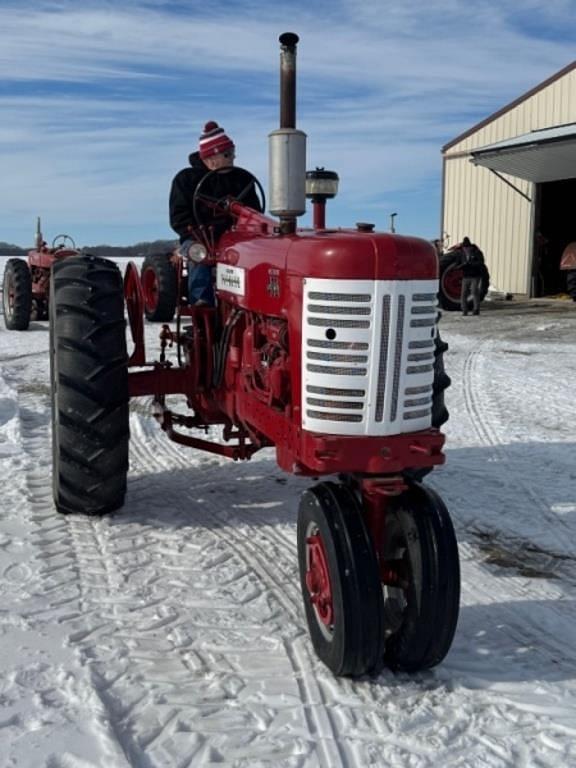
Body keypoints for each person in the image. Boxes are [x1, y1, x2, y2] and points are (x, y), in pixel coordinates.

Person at [169, 121, 261, 305]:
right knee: (200, 255)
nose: (232, 159)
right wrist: (194, 234)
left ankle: (252, 302)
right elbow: (179, 216)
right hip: (198, 237)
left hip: (235, 237)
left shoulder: (242, 179)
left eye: (233, 154)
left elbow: (254, 211)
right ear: (211, 158)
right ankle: (202, 306)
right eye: (227, 155)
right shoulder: (186, 179)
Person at [459, 236, 485, 316]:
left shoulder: (477, 252)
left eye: (467, 247)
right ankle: (464, 310)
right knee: (463, 294)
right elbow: (458, 262)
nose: (465, 249)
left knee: (474, 291)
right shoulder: (462, 254)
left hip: (475, 276)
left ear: (470, 247)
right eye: (464, 247)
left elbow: (481, 263)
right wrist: (461, 266)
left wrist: (471, 264)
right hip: (465, 276)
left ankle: (476, 309)